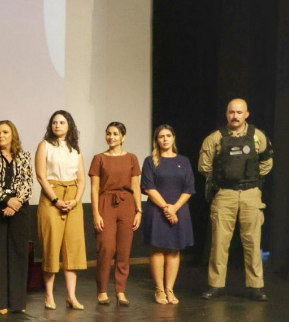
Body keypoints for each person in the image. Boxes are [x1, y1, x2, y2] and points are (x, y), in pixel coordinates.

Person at [198, 98, 273, 301]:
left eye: (239, 112)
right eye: (231, 112)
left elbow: (266, 163)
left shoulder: (258, 137)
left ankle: (255, 286)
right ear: (226, 114)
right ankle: (216, 285)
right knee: (220, 243)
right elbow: (204, 166)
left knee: (252, 241)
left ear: (246, 114)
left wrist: (252, 181)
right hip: (225, 195)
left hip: (251, 194)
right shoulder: (215, 138)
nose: (235, 116)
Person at [35, 110, 87, 310]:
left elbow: (82, 178)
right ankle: (49, 296)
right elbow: (41, 176)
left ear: (69, 125)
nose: (57, 125)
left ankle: (71, 296)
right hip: (52, 195)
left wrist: (75, 200)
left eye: (62, 122)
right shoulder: (45, 145)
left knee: (72, 248)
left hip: (73, 196)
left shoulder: (75, 147)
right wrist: (56, 200)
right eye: (54, 122)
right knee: (51, 246)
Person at [0, 120, 33, 314]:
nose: (0, 136)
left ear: (13, 135)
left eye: (5, 132)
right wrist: (6, 200)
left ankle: (18, 302)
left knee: (18, 254)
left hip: (19, 209)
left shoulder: (24, 156)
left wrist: (16, 202)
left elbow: (28, 182)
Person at [89, 122, 142, 306]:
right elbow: (94, 189)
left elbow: (135, 186)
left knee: (124, 251)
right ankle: (102, 290)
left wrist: (139, 210)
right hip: (106, 203)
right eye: (109, 133)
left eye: (116, 134)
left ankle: (120, 291)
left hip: (127, 203)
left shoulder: (132, 158)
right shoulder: (99, 158)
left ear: (123, 137)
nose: (111, 137)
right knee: (106, 248)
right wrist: (96, 213)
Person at [141, 125, 194, 304]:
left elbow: (188, 188)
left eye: (168, 136)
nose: (165, 139)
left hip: (179, 210)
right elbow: (149, 187)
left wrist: (174, 208)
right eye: (161, 136)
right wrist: (166, 208)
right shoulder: (150, 161)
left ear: (173, 138)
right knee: (158, 249)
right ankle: (159, 290)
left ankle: (170, 289)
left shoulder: (184, 161)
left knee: (174, 250)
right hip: (157, 210)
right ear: (156, 140)